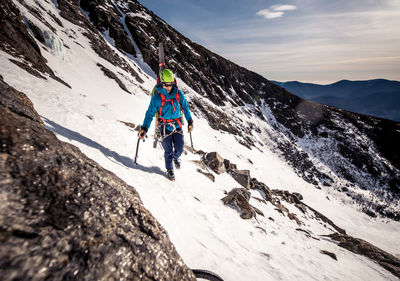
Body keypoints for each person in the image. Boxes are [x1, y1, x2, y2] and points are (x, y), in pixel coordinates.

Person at [138, 69, 193, 181]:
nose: (169, 87)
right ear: (161, 83)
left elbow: (185, 107)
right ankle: (170, 170)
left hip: (177, 125)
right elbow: (150, 113)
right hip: (164, 127)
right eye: (166, 85)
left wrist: (190, 121)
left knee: (180, 148)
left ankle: (175, 158)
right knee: (168, 150)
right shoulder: (157, 97)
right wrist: (144, 128)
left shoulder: (177, 93)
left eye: (171, 84)